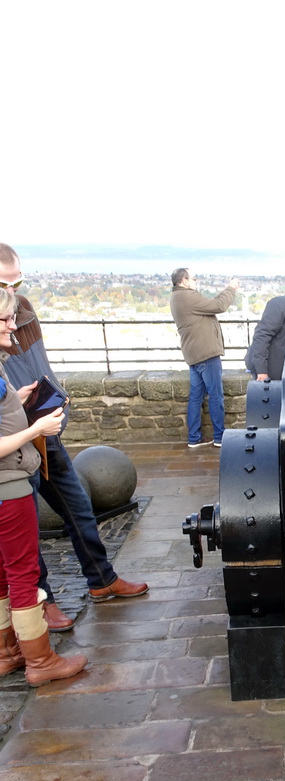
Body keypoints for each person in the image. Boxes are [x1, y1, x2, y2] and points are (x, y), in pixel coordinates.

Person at [0, 243, 148, 630]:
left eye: (19, 282)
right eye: (5, 284)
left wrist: (53, 403)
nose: (14, 293)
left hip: (44, 434)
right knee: (27, 529)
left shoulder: (24, 312)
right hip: (16, 444)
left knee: (78, 507)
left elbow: (38, 366)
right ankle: (40, 602)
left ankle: (102, 579)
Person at [0, 289, 89, 685]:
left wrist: (16, 401)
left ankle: (8, 653)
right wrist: (37, 428)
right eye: (4, 320)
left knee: (3, 576)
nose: (12, 326)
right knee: (22, 574)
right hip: (8, 485)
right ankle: (41, 662)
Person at [170, 269, 238, 449]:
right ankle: (220, 437)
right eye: (193, 278)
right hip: (206, 354)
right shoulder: (188, 297)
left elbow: (210, 304)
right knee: (216, 395)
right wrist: (230, 288)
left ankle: (194, 438)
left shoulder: (177, 297)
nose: (195, 281)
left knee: (196, 397)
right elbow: (219, 306)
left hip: (193, 354)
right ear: (184, 281)